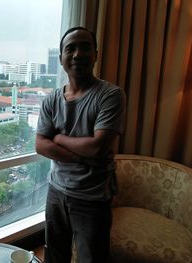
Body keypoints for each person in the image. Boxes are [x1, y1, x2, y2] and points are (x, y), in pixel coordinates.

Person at [35, 26, 126, 263]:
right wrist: (81, 156)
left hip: (92, 198)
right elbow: (40, 145)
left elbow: (97, 147)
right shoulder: (52, 99)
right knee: (55, 254)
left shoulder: (110, 95)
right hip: (56, 191)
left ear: (95, 54)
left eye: (85, 47)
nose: (77, 54)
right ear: (61, 58)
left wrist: (59, 138)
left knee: (91, 258)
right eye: (70, 48)